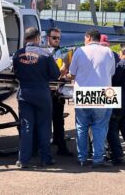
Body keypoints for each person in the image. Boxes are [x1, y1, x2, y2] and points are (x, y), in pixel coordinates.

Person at [13, 27, 60, 168]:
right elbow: (55, 74)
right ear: (38, 38)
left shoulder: (17, 54)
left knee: (26, 126)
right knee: (44, 126)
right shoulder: (45, 54)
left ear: (25, 38)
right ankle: (46, 159)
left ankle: (23, 160)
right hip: (42, 93)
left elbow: (15, 73)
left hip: (25, 93)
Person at [69, 28, 115, 167]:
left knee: (81, 126)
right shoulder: (108, 52)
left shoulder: (79, 51)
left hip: (83, 92)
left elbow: (72, 73)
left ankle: (82, 158)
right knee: (100, 127)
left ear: (88, 37)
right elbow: (111, 72)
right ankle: (98, 159)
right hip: (104, 92)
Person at [47, 27, 73, 156]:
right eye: (54, 38)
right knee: (44, 120)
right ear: (48, 38)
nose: (57, 40)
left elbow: (65, 70)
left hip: (58, 91)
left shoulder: (64, 52)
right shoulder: (42, 51)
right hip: (45, 90)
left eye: (59, 38)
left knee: (58, 119)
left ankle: (61, 146)